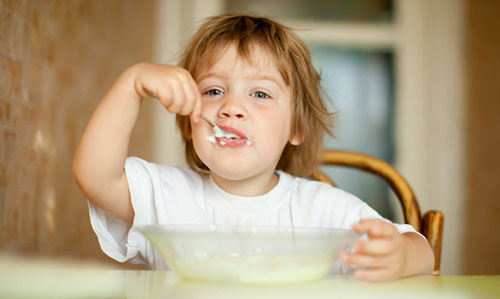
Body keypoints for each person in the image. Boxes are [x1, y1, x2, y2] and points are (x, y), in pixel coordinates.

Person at [73, 13, 434, 281]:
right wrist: (133, 83)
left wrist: (401, 256)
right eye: (213, 91)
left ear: (296, 126)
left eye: (259, 94)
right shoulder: (165, 196)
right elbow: (95, 176)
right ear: (188, 118)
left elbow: (423, 253)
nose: (231, 107)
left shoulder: (323, 209)